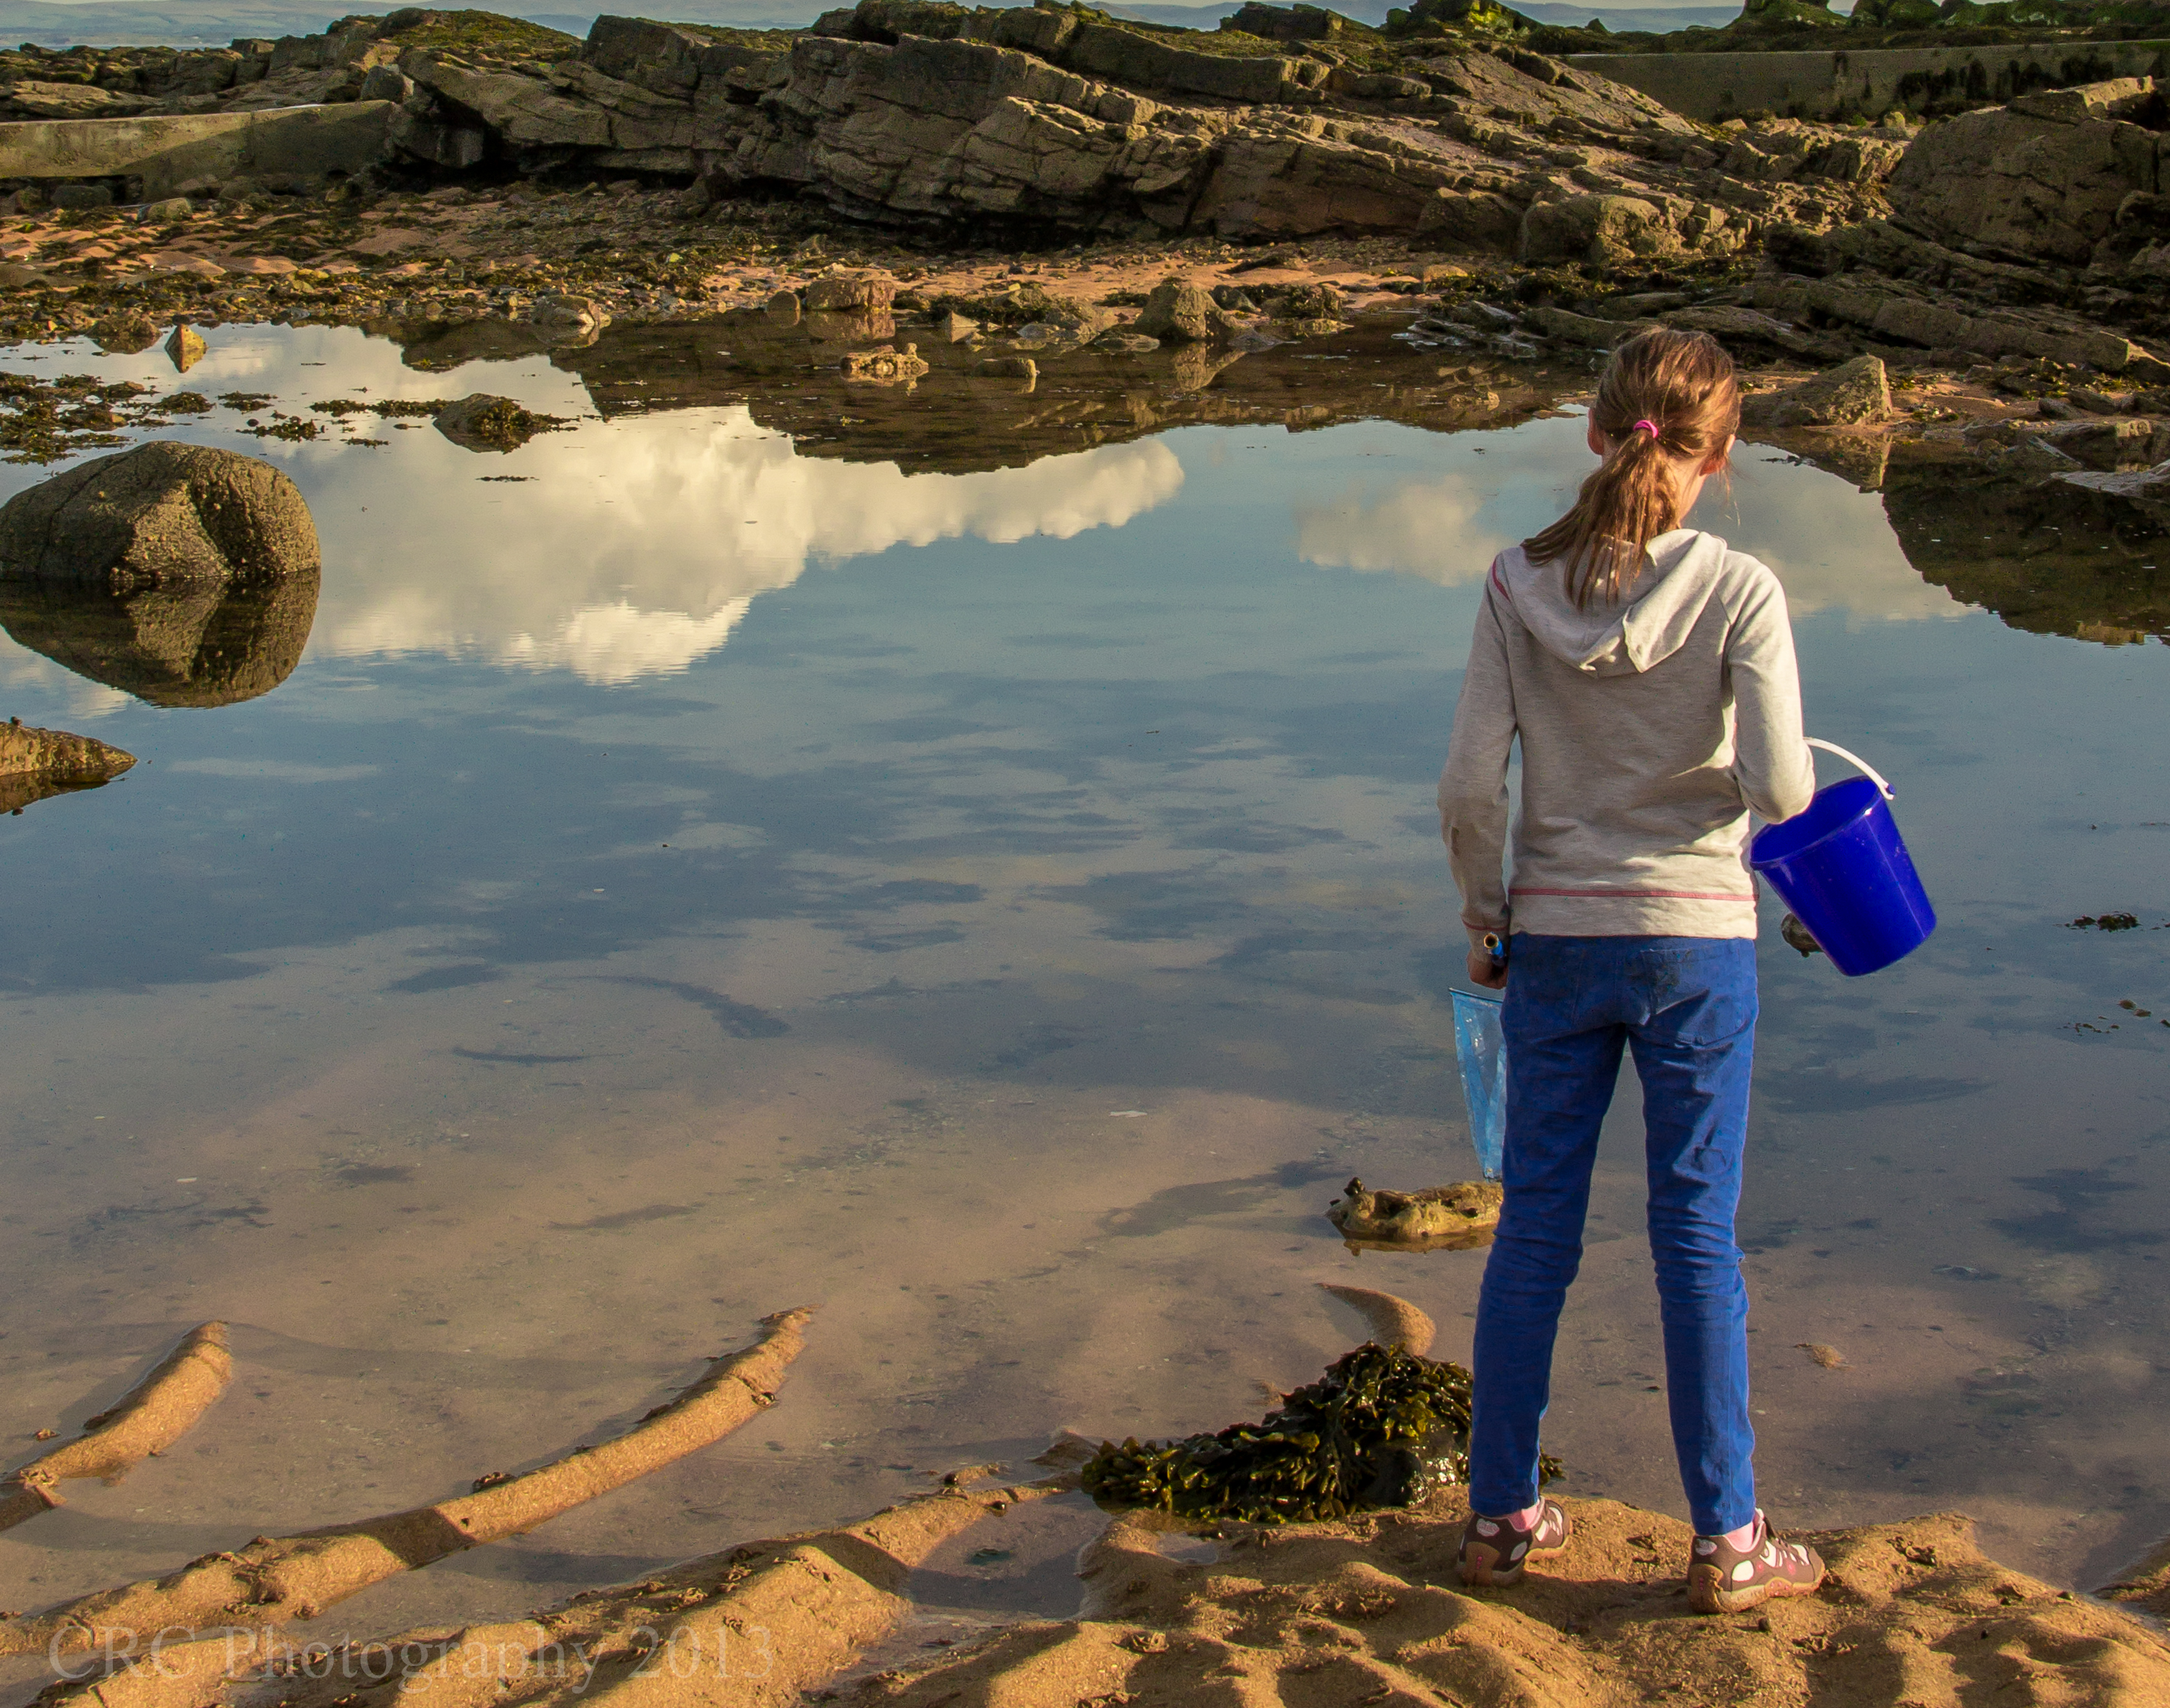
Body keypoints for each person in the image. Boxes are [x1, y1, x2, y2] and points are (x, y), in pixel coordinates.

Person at [1436, 328, 1826, 1616]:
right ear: (1717, 461)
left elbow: (1465, 785)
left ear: (1595, 434)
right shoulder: (1739, 588)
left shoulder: (1510, 582)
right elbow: (1776, 788)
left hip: (1553, 939)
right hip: (1696, 948)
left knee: (1534, 1232)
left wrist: (1485, 916)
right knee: (1693, 1240)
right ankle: (1727, 1542)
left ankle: (1498, 1520)